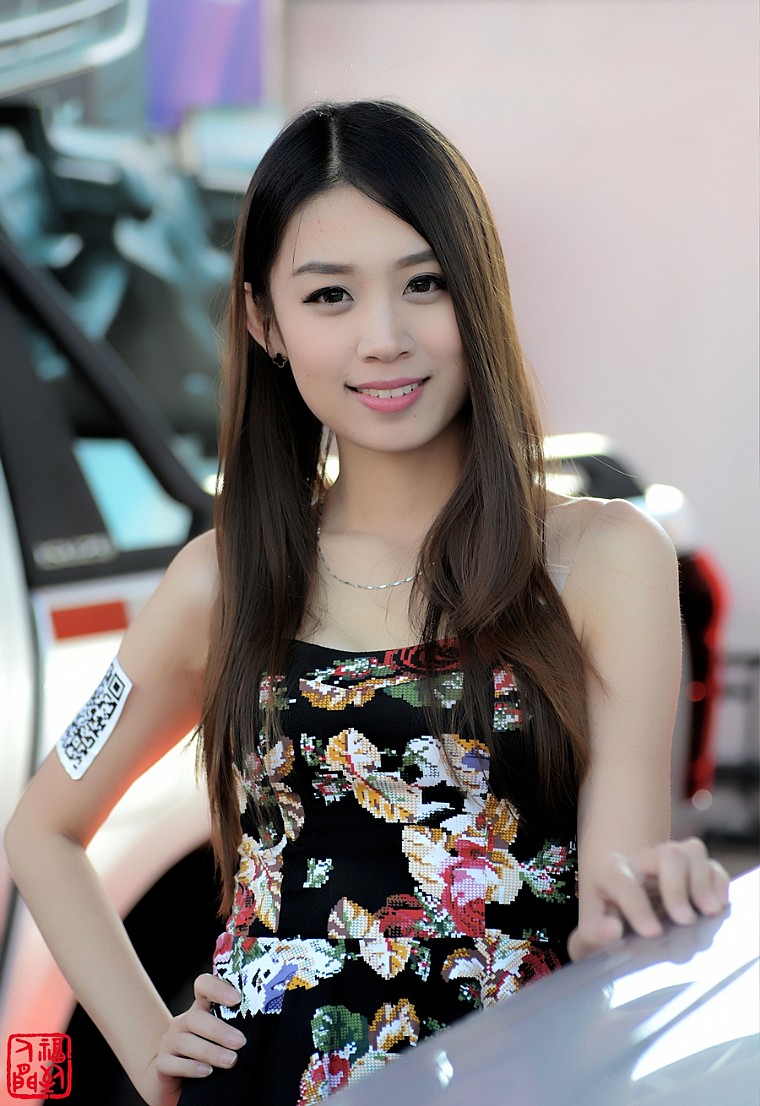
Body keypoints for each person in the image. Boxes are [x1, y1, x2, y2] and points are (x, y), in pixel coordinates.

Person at [5, 100, 729, 1106]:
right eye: (330, 295)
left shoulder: (603, 559)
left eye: (425, 283)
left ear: (479, 291)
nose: (384, 338)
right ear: (265, 321)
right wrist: (146, 1042)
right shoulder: (220, 581)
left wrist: (653, 906)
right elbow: (42, 827)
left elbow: (614, 900)